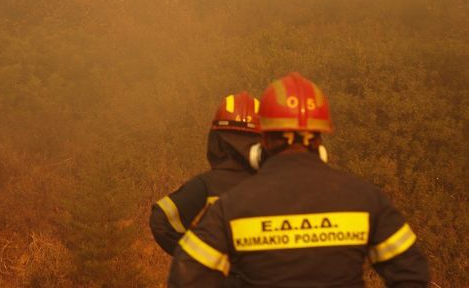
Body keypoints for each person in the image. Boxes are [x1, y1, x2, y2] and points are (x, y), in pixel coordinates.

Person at [168, 72, 430, 287]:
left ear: (264, 141)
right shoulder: (366, 199)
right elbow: (411, 273)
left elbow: (186, 276)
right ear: (320, 138)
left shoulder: (231, 206)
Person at [150, 92, 262, 255]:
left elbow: (160, 220)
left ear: (216, 141)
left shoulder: (204, 187)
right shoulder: (274, 186)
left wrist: (197, 257)